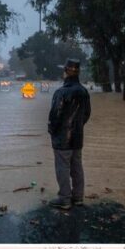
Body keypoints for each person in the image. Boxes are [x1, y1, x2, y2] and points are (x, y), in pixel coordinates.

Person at [47, 58, 91, 210]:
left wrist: (52, 132)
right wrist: (77, 127)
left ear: (66, 72)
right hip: (77, 138)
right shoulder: (84, 92)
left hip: (62, 139)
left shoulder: (61, 92)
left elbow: (55, 116)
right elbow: (86, 114)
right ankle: (78, 197)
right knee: (77, 166)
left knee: (63, 168)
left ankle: (64, 198)